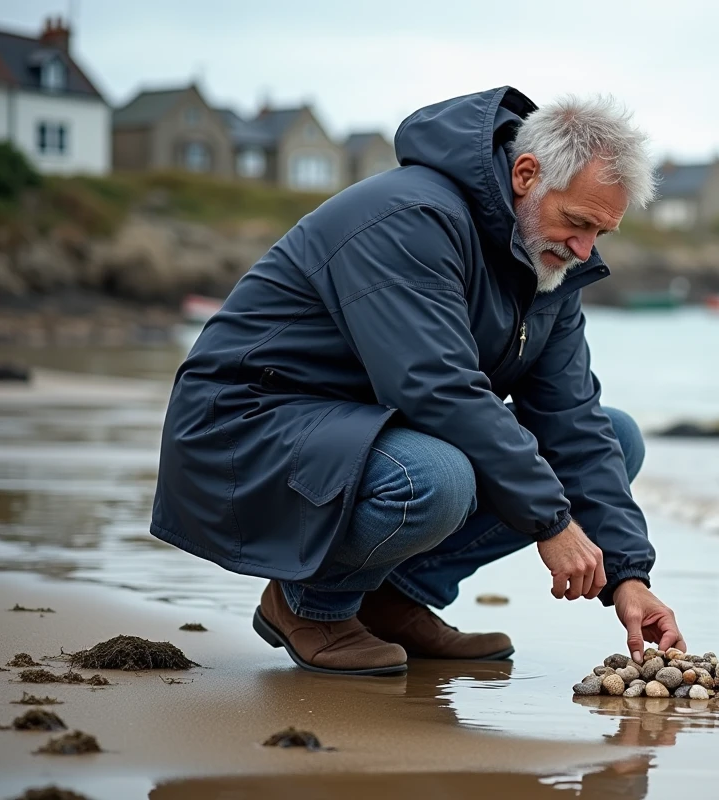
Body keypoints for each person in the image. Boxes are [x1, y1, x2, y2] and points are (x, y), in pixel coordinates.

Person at [150, 87, 686, 676]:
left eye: (599, 235)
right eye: (577, 222)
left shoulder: (547, 266)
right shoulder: (411, 217)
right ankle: (309, 603)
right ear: (526, 174)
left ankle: (391, 597)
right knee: (432, 478)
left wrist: (629, 575)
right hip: (245, 423)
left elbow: (572, 420)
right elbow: (435, 386)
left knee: (618, 435)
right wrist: (552, 523)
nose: (584, 250)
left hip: (360, 430)